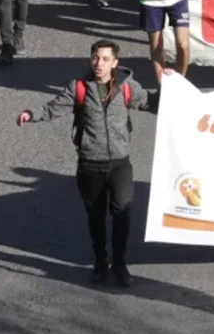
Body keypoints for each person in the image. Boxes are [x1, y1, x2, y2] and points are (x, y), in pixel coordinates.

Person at [16, 39, 154, 287]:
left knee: (122, 212)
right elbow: (53, 108)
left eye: (104, 59)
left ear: (115, 63)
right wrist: (31, 114)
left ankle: (119, 264)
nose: (98, 63)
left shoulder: (126, 86)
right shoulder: (78, 87)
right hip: (90, 164)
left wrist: (170, 87)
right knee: (96, 217)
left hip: (120, 163)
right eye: (95, 58)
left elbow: (149, 103)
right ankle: (101, 262)